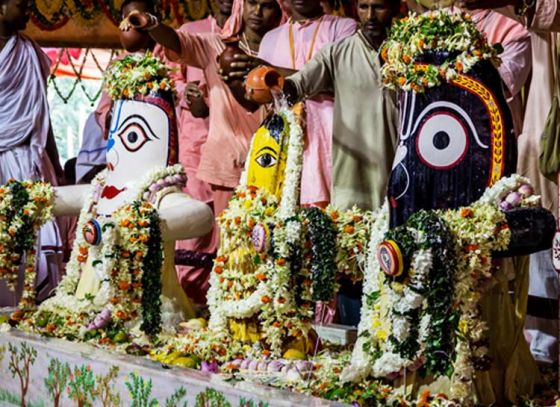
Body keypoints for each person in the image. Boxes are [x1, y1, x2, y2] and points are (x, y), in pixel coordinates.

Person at [459, 0, 560, 372]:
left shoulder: (513, 28)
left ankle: (542, 350)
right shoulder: (439, 26)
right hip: (459, 158)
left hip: (510, 148)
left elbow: (499, 86)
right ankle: (532, 348)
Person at [121, 0, 286, 217]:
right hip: (227, 163)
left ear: (278, 11)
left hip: (275, 162)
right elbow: (176, 41)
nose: (257, 12)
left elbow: (305, 79)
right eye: (252, 3)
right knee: (230, 242)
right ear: (240, 6)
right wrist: (151, 24)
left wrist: (262, 66)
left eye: (267, 6)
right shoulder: (215, 46)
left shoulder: (286, 51)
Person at [231, 0, 357, 207]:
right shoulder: (271, 38)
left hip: (331, 142)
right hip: (283, 143)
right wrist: (234, 80)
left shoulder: (343, 28)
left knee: (334, 217)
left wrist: (271, 70)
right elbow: (256, 103)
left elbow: (342, 81)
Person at [0, 0, 64, 305]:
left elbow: (42, 112)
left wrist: (57, 161)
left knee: (35, 245)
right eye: (22, 5)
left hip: (29, 160)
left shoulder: (30, 53)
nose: (29, 12)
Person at [173, 0, 233, 308]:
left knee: (230, 237)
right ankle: (189, 308)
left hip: (234, 152)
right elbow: (172, 82)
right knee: (193, 230)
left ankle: (223, 310)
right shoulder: (191, 33)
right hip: (196, 150)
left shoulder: (248, 35)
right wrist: (187, 96)